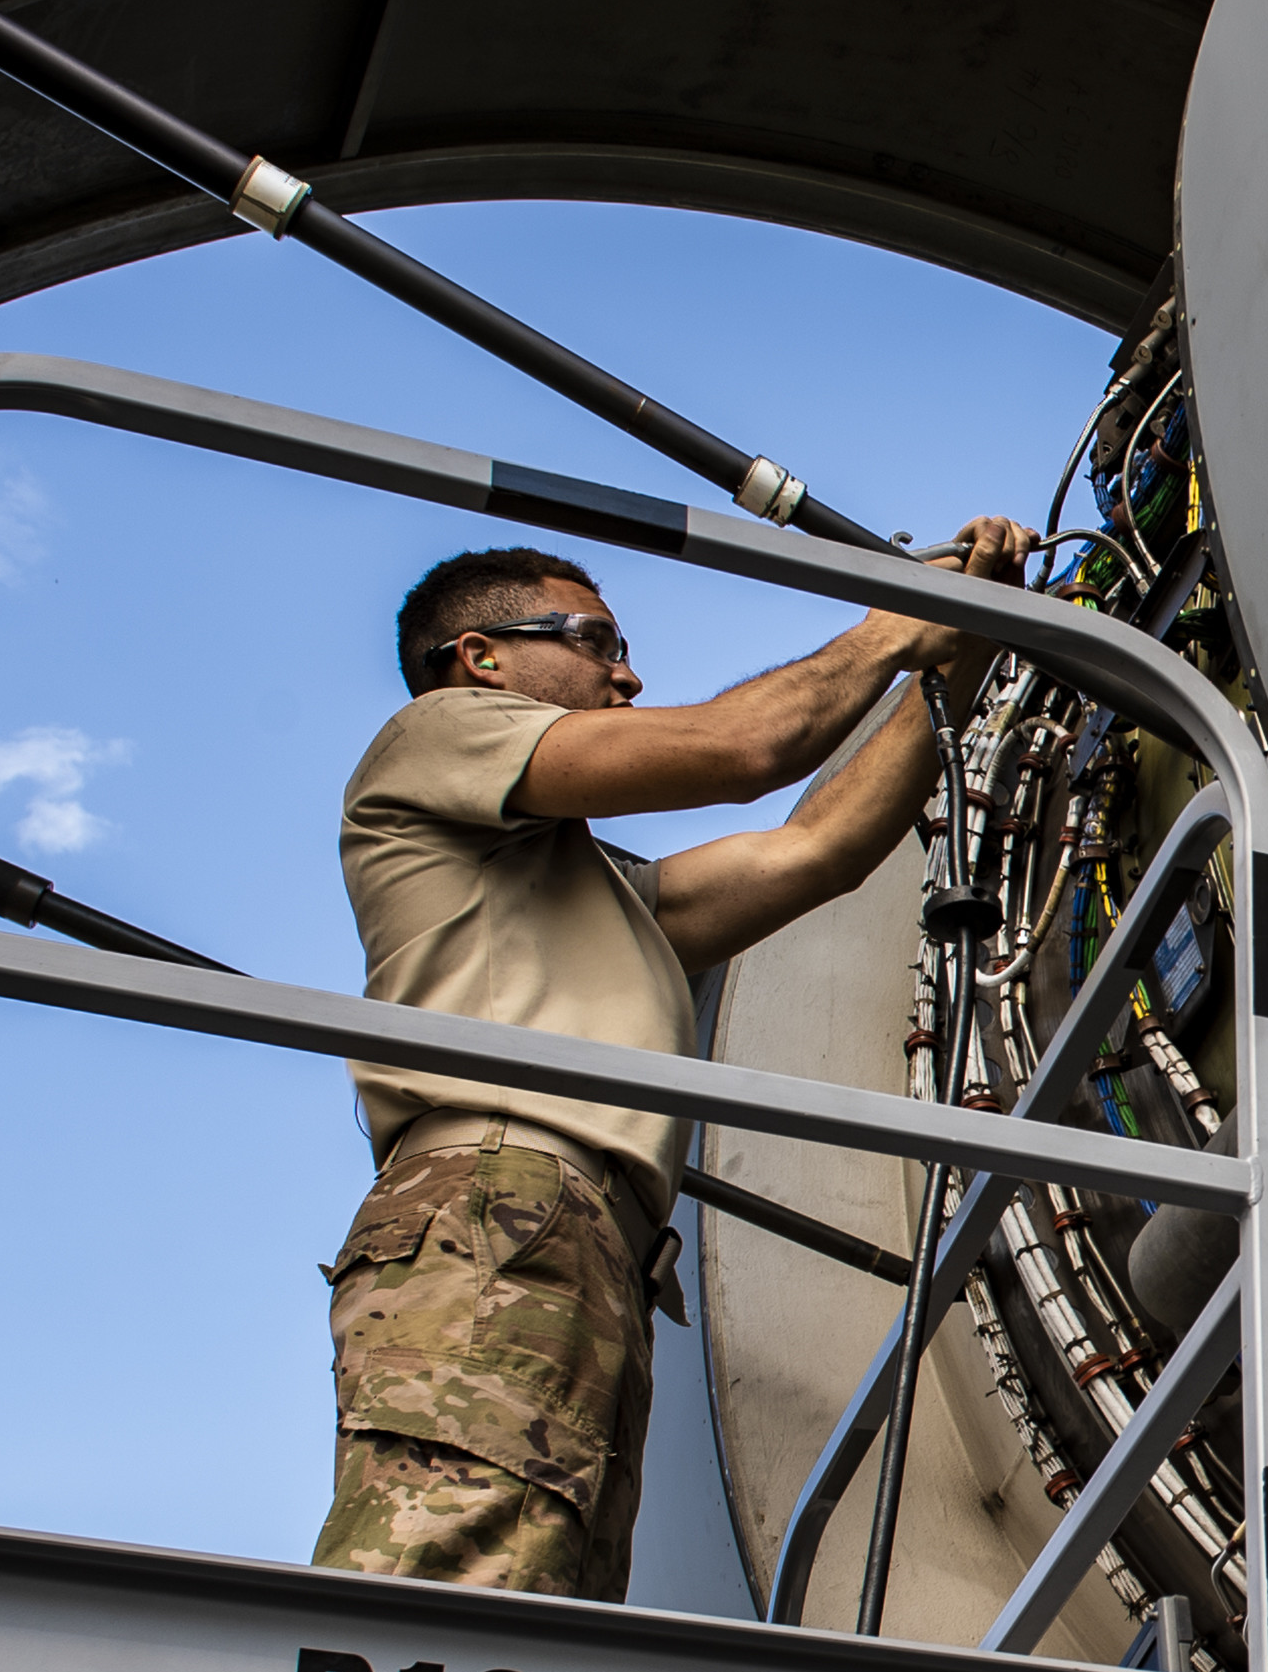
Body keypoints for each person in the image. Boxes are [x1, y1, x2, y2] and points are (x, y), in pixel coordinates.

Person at [316, 527, 1027, 1597]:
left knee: (545, 1588)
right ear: (481, 658)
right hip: (502, 1197)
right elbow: (745, 751)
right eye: (594, 639)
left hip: (583, 1231)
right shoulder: (436, 733)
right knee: (456, 1580)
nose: (627, 671)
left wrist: (956, 654)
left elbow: (816, 849)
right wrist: (888, 624)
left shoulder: (590, 888)